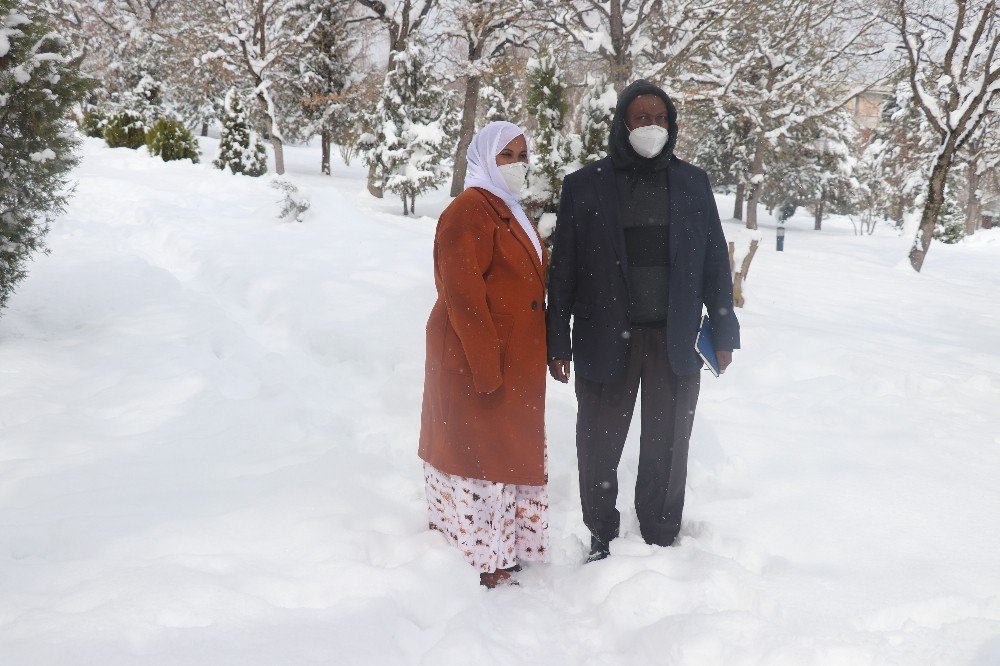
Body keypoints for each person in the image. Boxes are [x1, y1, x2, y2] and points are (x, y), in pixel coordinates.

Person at [546, 80, 740, 562]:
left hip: (673, 341)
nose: (650, 126)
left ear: (671, 125)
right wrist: (557, 341)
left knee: (668, 442)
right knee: (598, 443)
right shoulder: (585, 185)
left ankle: (659, 531)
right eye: (640, 118)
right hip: (604, 337)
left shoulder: (693, 184)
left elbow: (716, 261)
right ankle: (600, 533)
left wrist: (724, 333)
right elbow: (563, 269)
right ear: (623, 123)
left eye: (660, 118)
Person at [418, 121, 549, 588]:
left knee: (500, 452)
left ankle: (505, 551)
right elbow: (462, 292)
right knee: (480, 456)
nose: (517, 164)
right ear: (483, 159)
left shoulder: (507, 208)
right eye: (506, 155)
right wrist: (485, 363)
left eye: (521, 154)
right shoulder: (469, 210)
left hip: (513, 355)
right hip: (477, 353)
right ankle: (482, 558)